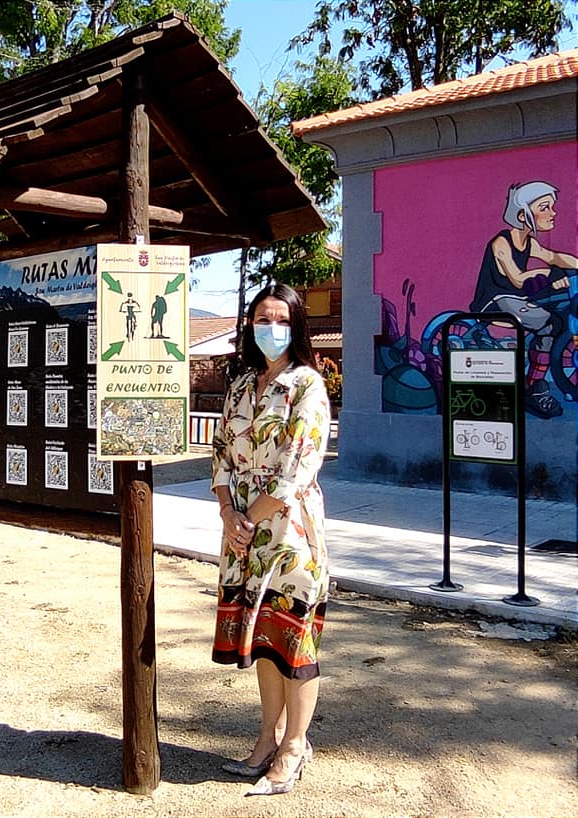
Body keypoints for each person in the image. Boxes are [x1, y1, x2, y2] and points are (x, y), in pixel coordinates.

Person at [210, 282, 331, 797]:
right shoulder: (241, 384)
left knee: (293, 640)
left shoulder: (308, 386)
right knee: (262, 638)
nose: (272, 328)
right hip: (242, 534)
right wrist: (228, 513)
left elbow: (296, 468)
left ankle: (295, 747)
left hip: (289, 533)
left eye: (282, 319)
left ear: (296, 326)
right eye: (263, 318)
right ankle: (266, 739)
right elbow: (220, 453)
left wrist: (248, 519)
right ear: (250, 324)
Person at [470, 181, 577, 418]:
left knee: (558, 317)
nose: (553, 213)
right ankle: (533, 388)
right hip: (495, 301)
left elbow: (553, 256)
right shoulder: (501, 243)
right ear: (522, 215)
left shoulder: (529, 242)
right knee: (548, 323)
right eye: (545, 207)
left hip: (517, 299)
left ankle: (534, 384)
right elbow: (517, 279)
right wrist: (549, 274)